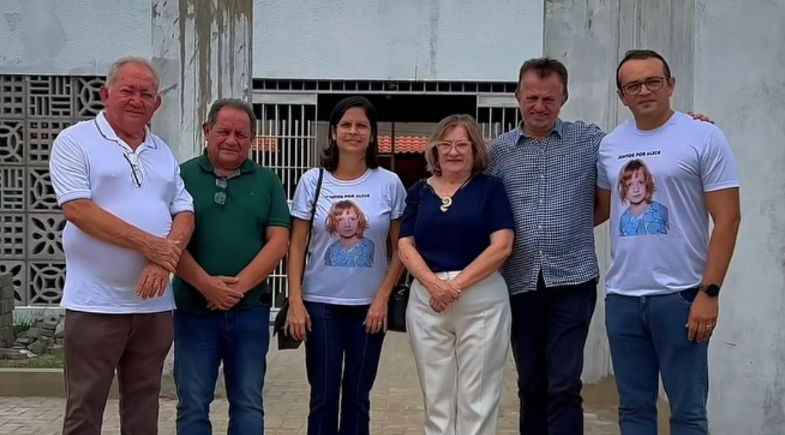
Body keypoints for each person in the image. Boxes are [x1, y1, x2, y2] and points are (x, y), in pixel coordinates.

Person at [488, 57, 713, 435]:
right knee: (530, 385)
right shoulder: (499, 153)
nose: (539, 106)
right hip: (519, 281)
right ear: (517, 98)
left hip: (572, 280)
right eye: (531, 98)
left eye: (549, 98)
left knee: (563, 384)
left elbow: (640, 142)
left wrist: (689, 124)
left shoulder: (593, 142)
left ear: (564, 99)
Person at [595, 49, 741, 435]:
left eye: (653, 81)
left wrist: (709, 292)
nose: (644, 90)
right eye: (633, 85)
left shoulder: (703, 135)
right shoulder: (609, 146)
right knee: (634, 410)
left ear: (670, 85)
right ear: (621, 95)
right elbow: (599, 210)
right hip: (623, 298)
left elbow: (728, 218)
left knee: (688, 412)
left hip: (681, 298)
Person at [49, 56, 195, 435]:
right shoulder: (75, 141)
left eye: (146, 93)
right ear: (106, 93)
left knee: (144, 407)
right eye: (128, 90)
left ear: (157, 103)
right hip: (95, 303)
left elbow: (185, 212)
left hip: (154, 307)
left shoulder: (161, 150)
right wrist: (152, 246)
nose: (137, 100)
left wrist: (164, 261)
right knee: (85, 408)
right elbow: (79, 210)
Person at [285, 96, 407, 435]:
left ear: (371, 135)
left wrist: (384, 296)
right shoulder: (313, 180)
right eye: (346, 125)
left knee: (358, 396)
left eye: (362, 125)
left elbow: (401, 249)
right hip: (320, 305)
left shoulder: (389, 183)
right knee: (323, 395)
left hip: (370, 308)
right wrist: (295, 301)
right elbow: (296, 245)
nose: (354, 131)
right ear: (334, 133)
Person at [171, 98, 291, 435]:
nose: (231, 139)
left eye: (241, 133)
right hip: (194, 310)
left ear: (252, 139)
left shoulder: (267, 180)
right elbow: (170, 242)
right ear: (207, 131)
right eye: (223, 131)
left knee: (249, 402)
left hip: (249, 311)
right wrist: (207, 285)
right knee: (193, 402)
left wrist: (237, 288)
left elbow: (279, 241)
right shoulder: (181, 176)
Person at [398, 114, 516, 435]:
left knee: (477, 398)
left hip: (482, 302)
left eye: (462, 144)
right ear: (434, 150)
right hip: (427, 302)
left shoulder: (490, 188)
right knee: (436, 398)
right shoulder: (419, 191)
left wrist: (454, 286)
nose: (453, 151)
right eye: (445, 144)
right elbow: (405, 245)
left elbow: (502, 245)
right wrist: (435, 285)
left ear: (475, 149)